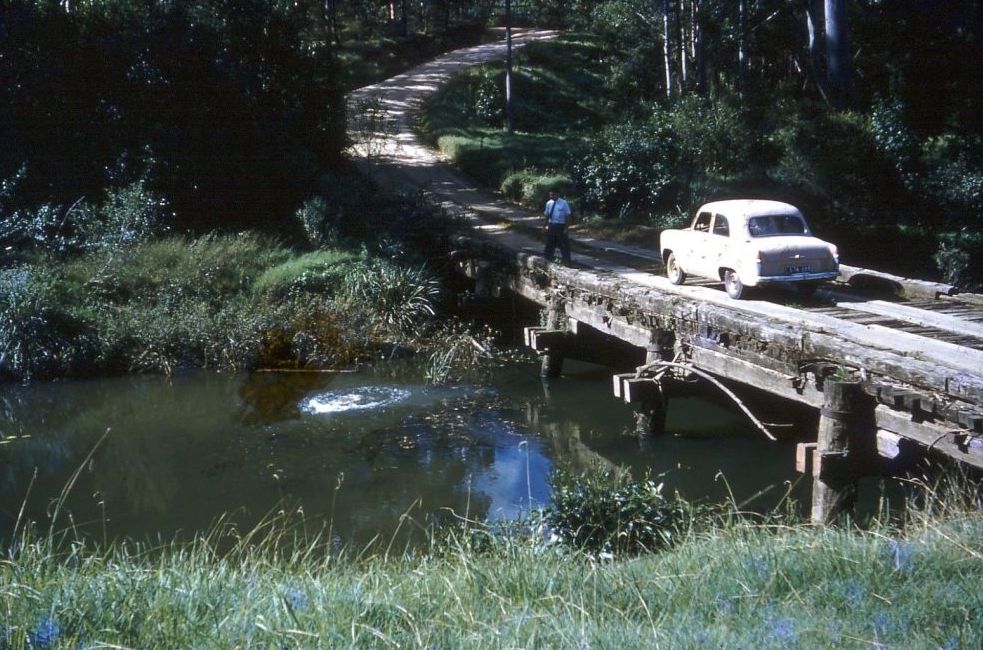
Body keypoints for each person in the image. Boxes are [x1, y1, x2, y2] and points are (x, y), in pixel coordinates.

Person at [542, 188, 571, 265]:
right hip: (552, 225)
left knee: (563, 245)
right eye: (550, 195)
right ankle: (547, 260)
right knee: (549, 244)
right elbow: (547, 215)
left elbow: (567, 215)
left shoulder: (563, 203)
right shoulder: (549, 203)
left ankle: (567, 262)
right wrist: (544, 226)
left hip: (560, 226)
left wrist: (566, 228)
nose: (551, 197)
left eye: (552, 195)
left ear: (557, 194)